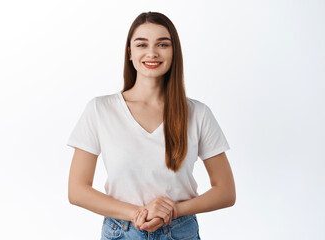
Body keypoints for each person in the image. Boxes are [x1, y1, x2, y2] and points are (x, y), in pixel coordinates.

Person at [67, 11, 236, 240]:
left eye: (163, 44)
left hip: (180, 233)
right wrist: (137, 213)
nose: (152, 53)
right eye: (141, 44)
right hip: (121, 232)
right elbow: (77, 191)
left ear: (174, 51)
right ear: (130, 52)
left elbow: (226, 191)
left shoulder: (198, 114)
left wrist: (173, 210)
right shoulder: (100, 110)